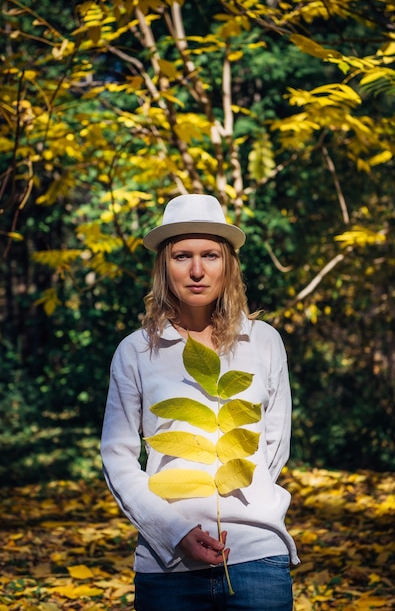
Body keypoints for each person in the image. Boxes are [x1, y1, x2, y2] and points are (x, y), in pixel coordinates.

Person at [101, 193, 299, 611]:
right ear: (163, 267)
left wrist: (234, 496)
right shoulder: (136, 351)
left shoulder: (263, 342)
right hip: (167, 564)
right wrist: (173, 530)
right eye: (181, 256)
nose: (196, 270)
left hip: (255, 556)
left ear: (228, 263)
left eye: (210, 255)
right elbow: (117, 458)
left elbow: (273, 447)